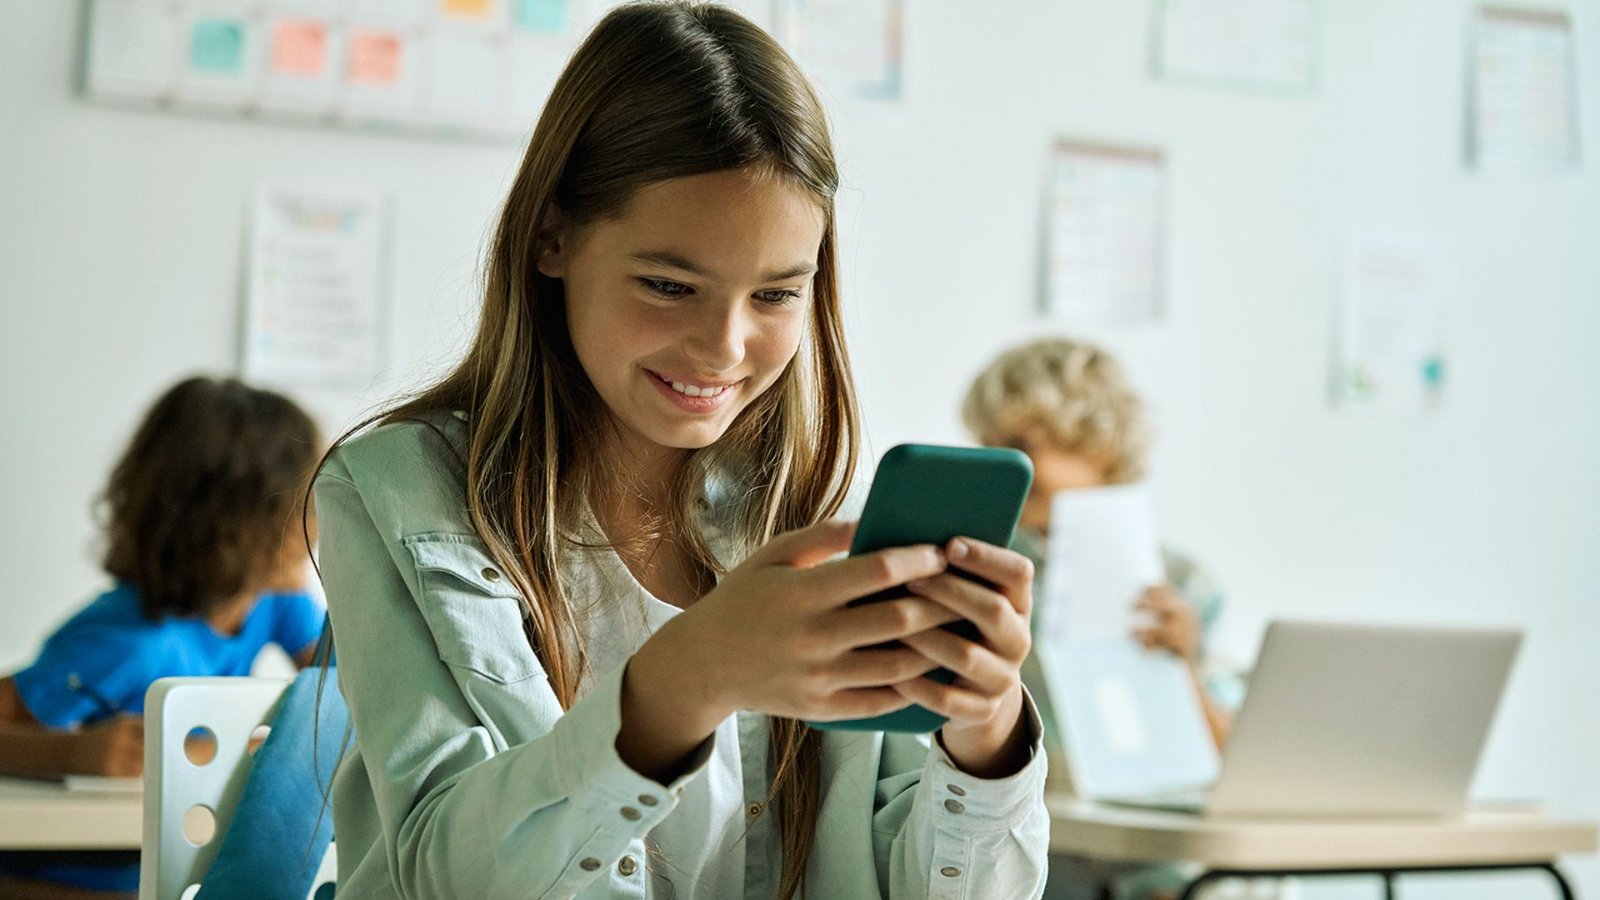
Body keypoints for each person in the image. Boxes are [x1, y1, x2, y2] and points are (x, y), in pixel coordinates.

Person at [312, 4, 1050, 898]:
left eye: (776, 296)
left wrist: (987, 733)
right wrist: (687, 679)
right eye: (669, 285)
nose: (724, 348)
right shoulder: (400, 493)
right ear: (553, 238)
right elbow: (447, 873)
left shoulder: (819, 519)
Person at [0, 376, 327, 898]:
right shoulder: (128, 642)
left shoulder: (278, 605)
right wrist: (74, 756)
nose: (321, 515)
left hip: (167, 870)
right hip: (64, 880)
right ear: (239, 524)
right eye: (305, 496)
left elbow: (341, 694)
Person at [963, 336, 1243, 900]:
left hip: (1144, 840)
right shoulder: (980, 565)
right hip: (1036, 834)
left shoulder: (1180, 585)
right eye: (988, 445)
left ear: (1100, 446)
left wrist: (1181, 663)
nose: (1002, 464)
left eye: (1019, 444)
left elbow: (1232, 756)